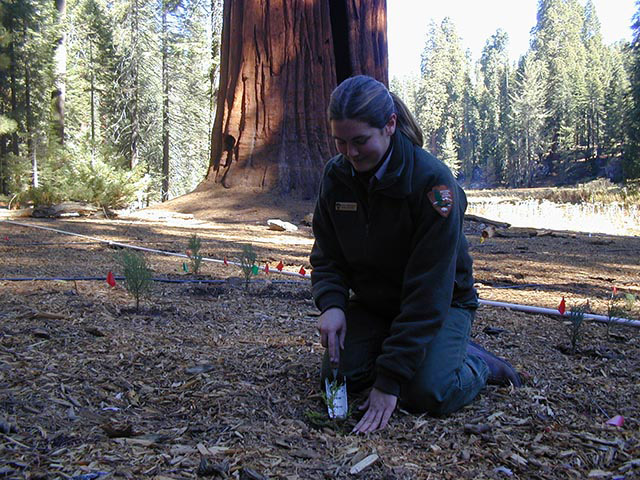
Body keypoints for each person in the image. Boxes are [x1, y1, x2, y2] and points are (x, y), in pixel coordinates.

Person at [310, 75, 521, 434]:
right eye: (340, 142)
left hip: (441, 305)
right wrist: (332, 304)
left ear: (390, 125)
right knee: (340, 375)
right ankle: (417, 352)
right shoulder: (337, 176)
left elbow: (429, 293)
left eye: (360, 141)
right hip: (378, 303)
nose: (351, 153)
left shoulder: (433, 184)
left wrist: (390, 381)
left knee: (429, 392)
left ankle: (475, 363)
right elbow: (327, 254)